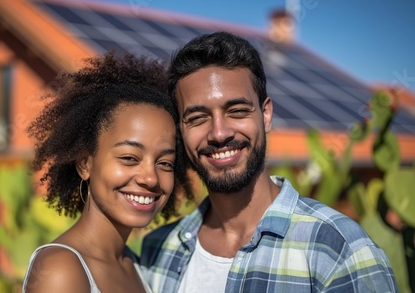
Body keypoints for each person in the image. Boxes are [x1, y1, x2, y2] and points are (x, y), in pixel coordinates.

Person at [140, 31, 399, 292]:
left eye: (237, 111)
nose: (219, 133)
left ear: (265, 115)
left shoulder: (339, 252)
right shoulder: (159, 249)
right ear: (180, 129)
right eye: (197, 118)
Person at [22, 52, 192, 293]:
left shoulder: (135, 264)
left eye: (165, 163)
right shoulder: (61, 269)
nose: (151, 178)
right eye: (129, 158)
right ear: (85, 164)